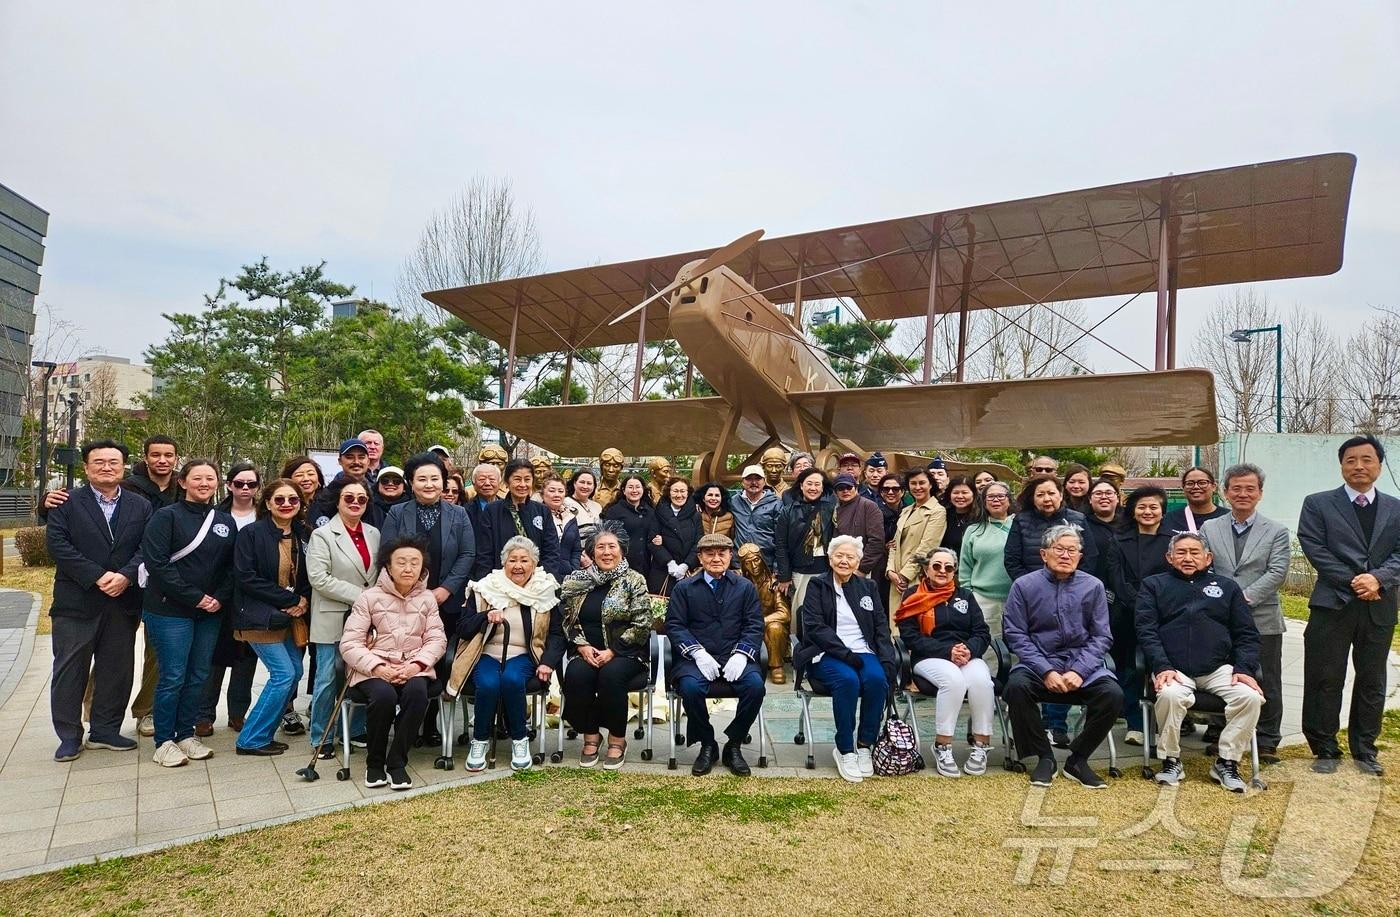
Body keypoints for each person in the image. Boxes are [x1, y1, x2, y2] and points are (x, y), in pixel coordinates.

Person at [46, 434, 182, 739]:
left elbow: (148, 545)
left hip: (125, 599)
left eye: (113, 462)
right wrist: (97, 575)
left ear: (122, 466)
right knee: (71, 670)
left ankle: (105, 731)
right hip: (76, 601)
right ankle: (69, 736)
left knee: (116, 669)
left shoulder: (139, 504)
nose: (107, 467)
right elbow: (58, 545)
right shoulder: (66, 502)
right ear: (86, 467)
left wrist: (125, 576)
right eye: (99, 462)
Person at [1297, 435, 1400, 777]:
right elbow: (1313, 545)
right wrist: (1356, 580)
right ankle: (1324, 746)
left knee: (1372, 678)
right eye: (1351, 460)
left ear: (1379, 466)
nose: (1359, 466)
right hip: (1333, 603)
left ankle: (1365, 749)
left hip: (1379, 604)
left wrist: (1378, 579)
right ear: (1341, 465)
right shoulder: (1318, 503)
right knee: (1325, 677)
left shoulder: (1395, 507)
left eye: (1367, 459)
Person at [1137, 532, 1263, 792]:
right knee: (1170, 695)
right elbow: (1146, 631)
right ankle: (1171, 760)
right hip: (1173, 667)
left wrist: (1244, 669)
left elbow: (1247, 634)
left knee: (1250, 697)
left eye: (1195, 552)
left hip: (1219, 668)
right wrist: (1161, 665)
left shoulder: (1227, 587)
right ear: (1169, 558)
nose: (1188, 558)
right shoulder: (1153, 585)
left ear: (1208, 558)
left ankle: (1226, 761)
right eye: (1181, 552)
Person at [1002, 525, 1122, 789]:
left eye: (1073, 551)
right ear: (1044, 554)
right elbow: (1015, 634)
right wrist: (1046, 671)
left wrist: (1079, 670)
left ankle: (1078, 759)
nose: (1066, 555)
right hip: (1038, 663)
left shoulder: (1093, 586)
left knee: (1112, 694)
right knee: (1016, 687)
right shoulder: (1023, 586)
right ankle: (1044, 756)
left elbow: (1102, 636)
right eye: (1059, 549)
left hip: (1083, 666)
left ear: (1080, 556)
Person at [141, 459, 237, 767]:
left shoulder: (224, 520)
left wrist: (218, 599)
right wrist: (196, 597)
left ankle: (186, 733)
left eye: (210, 478)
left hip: (209, 612)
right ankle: (164, 740)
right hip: (170, 610)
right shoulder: (165, 517)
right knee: (172, 676)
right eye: (197, 478)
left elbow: (230, 567)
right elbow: (157, 565)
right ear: (182, 482)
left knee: (199, 675)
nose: (204, 483)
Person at [381, 452, 479, 743]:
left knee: (437, 661)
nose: (429, 484)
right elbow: (387, 554)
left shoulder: (458, 514)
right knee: (407, 655)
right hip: (405, 601)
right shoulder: (398, 513)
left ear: (443, 481)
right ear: (411, 483)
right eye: (421, 479)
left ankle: (432, 724)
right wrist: (411, 590)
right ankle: (406, 721)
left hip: (444, 601)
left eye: (435, 478)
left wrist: (445, 589)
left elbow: (467, 554)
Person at [1200, 463, 1290, 764]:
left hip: (1262, 616)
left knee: (1266, 679)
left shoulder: (1276, 531)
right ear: (1225, 492)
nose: (1243, 494)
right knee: (1222, 676)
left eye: (1250, 488)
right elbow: (1205, 567)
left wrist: (1241, 598)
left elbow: (1277, 571)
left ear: (1260, 493)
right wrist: (1225, 601)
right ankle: (1221, 732)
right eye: (1236, 488)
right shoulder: (1210, 528)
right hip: (1218, 618)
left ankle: (1266, 740)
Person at [340, 536, 447, 790]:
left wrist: (416, 666)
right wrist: (379, 668)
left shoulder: (427, 599)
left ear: (423, 568)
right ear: (388, 566)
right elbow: (350, 643)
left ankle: (397, 762)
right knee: (384, 696)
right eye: (401, 562)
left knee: (417, 693)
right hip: (374, 668)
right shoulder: (368, 597)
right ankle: (374, 763)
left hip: (414, 666)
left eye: (414, 563)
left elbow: (437, 639)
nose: (408, 568)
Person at [453, 536, 564, 772]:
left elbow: (556, 635)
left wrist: (547, 663)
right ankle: (480, 741)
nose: (518, 566)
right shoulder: (485, 588)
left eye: (525, 560)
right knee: (489, 683)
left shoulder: (545, 590)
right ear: (504, 563)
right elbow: (462, 627)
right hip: (485, 654)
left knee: (513, 680)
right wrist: (485, 617)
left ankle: (520, 740)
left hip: (524, 655)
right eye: (512, 560)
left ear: (534, 565)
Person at [793, 535, 897, 783]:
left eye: (850, 557)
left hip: (863, 651)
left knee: (876, 679)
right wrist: (845, 654)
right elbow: (815, 627)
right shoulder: (817, 586)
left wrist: (887, 659)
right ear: (830, 559)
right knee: (848, 681)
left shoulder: (868, 587)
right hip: (826, 653)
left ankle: (864, 744)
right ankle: (844, 748)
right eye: (839, 555)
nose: (844, 561)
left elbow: (881, 626)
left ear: (858, 561)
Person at [1004, 474, 1097, 748]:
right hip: (1033, 596)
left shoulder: (1078, 521)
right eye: (1040, 494)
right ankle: (1033, 729)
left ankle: (1056, 725)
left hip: (1073, 594)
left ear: (1061, 494)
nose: (1047, 499)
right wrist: (1032, 586)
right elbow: (1012, 559)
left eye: (1051, 493)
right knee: (1033, 658)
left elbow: (1088, 558)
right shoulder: (1022, 521)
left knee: (1066, 652)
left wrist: (1073, 585)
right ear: (1033, 497)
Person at [667, 532, 765, 777]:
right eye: (709, 554)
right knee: (689, 688)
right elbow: (675, 625)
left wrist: (742, 654)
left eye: (722, 553)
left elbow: (754, 624)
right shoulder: (684, 588)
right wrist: (697, 652)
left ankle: (734, 744)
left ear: (730, 556)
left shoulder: (745, 587)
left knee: (755, 687)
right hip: (696, 657)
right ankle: (708, 744)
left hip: (734, 654)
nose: (716, 558)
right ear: (700, 557)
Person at [558, 524, 653, 769]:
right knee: (577, 676)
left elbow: (643, 622)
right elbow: (569, 619)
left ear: (622, 551)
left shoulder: (634, 580)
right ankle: (591, 736)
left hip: (627, 653)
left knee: (611, 676)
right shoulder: (578, 583)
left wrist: (613, 651)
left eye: (612, 547)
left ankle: (617, 739)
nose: (607, 552)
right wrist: (581, 646)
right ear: (591, 552)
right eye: (601, 547)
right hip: (587, 651)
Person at [896, 547, 995, 777]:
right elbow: (910, 637)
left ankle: (981, 746)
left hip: (965, 655)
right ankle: (943, 746)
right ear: (927, 569)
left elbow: (982, 631)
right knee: (953, 681)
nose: (943, 571)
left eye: (948, 567)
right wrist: (947, 651)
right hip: (928, 657)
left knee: (982, 681)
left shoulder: (965, 596)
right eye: (937, 566)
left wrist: (968, 649)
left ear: (954, 571)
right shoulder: (913, 596)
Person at [232, 479, 312, 756]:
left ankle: (263, 731)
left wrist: (302, 601)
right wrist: (290, 600)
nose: (287, 504)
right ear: (267, 503)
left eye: (293, 500)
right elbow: (245, 577)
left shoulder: (304, 534)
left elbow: (307, 575)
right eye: (279, 499)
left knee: (296, 672)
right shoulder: (251, 534)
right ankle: (251, 738)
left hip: (289, 617)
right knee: (283, 674)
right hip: (259, 617)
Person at [305, 478, 380, 754]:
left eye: (361, 499)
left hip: (366, 618)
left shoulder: (374, 533)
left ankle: (357, 728)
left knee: (362, 672)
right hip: (333, 615)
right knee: (327, 678)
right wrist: (363, 596)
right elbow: (318, 578)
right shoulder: (322, 535)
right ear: (338, 500)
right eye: (349, 498)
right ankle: (321, 736)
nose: (355, 503)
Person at [195, 461, 260, 737]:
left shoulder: (265, 515)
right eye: (239, 483)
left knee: (246, 657)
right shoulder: (214, 515)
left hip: (253, 597)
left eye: (251, 484)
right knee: (214, 658)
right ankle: (204, 715)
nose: (245, 488)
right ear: (229, 485)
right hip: (219, 594)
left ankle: (237, 713)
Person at [1107, 486, 1171, 746]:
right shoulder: (1118, 539)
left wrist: (1153, 605)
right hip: (1126, 614)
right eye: (1142, 507)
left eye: (1153, 507)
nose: (1148, 511)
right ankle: (1136, 724)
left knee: (1161, 667)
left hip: (1163, 614)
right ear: (1133, 511)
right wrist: (1139, 603)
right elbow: (1115, 577)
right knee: (1130, 668)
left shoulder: (1172, 541)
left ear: (1162, 511)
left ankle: (1161, 724)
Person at [476, 459, 561, 582]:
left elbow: (551, 550)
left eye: (527, 479)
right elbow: (484, 553)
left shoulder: (542, 511)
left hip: (537, 582)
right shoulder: (492, 511)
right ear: (507, 482)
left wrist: (541, 579)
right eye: (517, 479)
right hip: (500, 581)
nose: (522, 484)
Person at [957, 482, 1015, 638]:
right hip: (983, 599)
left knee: (1017, 646)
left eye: (1001, 496)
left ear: (1009, 500)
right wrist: (970, 596)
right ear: (983, 502)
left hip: (1016, 598)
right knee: (989, 647)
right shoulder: (974, 530)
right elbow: (965, 567)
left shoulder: (1020, 526)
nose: (996, 500)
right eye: (990, 497)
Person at [887, 467, 947, 614]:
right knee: (895, 627)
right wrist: (890, 571)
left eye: (922, 483)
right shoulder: (906, 510)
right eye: (913, 483)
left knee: (914, 625)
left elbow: (927, 548)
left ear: (930, 485)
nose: (918, 487)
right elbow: (894, 544)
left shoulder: (937, 511)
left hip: (916, 577)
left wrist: (904, 576)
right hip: (896, 577)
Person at [774, 468, 836, 610]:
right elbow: (781, 545)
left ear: (822, 487)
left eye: (817, 484)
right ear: (801, 486)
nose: (813, 488)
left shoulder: (831, 509)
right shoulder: (788, 511)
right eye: (809, 484)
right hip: (799, 570)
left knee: (825, 610)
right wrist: (784, 576)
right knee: (800, 610)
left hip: (826, 570)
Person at [737, 542, 791, 684]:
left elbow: (784, 613)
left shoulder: (773, 584)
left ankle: (776, 666)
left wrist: (761, 621)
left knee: (775, 628)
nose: (754, 566)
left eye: (756, 560)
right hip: (745, 626)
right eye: (748, 563)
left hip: (768, 627)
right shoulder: (738, 583)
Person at [309, 439, 384, 529]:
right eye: (349, 457)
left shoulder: (378, 497)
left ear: (368, 461)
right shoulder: (325, 497)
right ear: (340, 461)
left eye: (361, 457)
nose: (356, 462)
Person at [647, 477, 701, 594]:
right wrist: (669, 562)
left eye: (683, 491)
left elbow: (699, 543)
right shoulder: (658, 512)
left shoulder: (695, 515)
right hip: (662, 571)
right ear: (668, 492)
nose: (679, 495)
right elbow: (652, 541)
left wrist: (686, 565)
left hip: (688, 572)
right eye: (675, 491)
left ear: (688, 493)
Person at [601, 474, 653, 583]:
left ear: (643, 489)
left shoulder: (650, 511)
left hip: (646, 564)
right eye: (630, 487)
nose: (634, 490)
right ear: (624, 491)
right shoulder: (614, 511)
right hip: (621, 564)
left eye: (637, 487)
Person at [832, 472, 884, 577]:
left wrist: (862, 569)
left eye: (849, 487)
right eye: (841, 488)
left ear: (856, 488)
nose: (845, 490)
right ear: (836, 492)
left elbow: (877, 541)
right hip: (838, 566)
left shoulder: (868, 506)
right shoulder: (834, 509)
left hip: (860, 568)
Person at [730, 464, 781, 570]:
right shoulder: (733, 501)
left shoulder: (776, 503)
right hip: (739, 564)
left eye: (758, 478)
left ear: (764, 480)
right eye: (749, 479)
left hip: (766, 563)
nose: (754, 482)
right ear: (742, 481)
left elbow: (781, 537)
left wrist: (777, 567)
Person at [872, 473, 905, 614]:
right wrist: (883, 546)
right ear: (880, 492)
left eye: (895, 489)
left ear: (903, 491)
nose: (891, 492)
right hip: (880, 565)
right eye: (886, 489)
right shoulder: (874, 511)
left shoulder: (909, 511)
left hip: (904, 564)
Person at [1163, 466, 1229, 535]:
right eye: (1190, 483)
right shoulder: (1169, 519)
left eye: (1202, 483)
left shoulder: (1228, 518)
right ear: (1183, 488)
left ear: (1214, 486)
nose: (1196, 487)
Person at [1082, 477, 1123, 585]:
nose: (1104, 497)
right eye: (1098, 493)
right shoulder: (1082, 524)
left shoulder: (1130, 524)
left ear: (1117, 498)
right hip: (1091, 584)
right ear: (1090, 499)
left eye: (1109, 493)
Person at [541, 475, 584, 574]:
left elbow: (576, 549)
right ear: (543, 494)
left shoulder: (570, 516)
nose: (557, 495)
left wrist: (573, 569)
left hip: (568, 574)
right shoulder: (537, 516)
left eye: (560, 491)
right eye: (552, 491)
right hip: (543, 574)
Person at [940, 476, 977, 554]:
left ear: (973, 494)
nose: (960, 496)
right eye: (955, 493)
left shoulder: (980, 517)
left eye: (965, 492)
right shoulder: (943, 515)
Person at [694, 481, 737, 547]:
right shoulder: (697, 515)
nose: (713, 498)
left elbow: (732, 539)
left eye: (717, 495)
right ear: (703, 498)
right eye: (710, 495)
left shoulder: (729, 517)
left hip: (722, 555)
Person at [565, 468, 604, 536]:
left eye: (589, 483)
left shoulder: (597, 506)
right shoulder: (564, 503)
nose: (585, 486)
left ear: (594, 486)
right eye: (582, 482)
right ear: (574, 483)